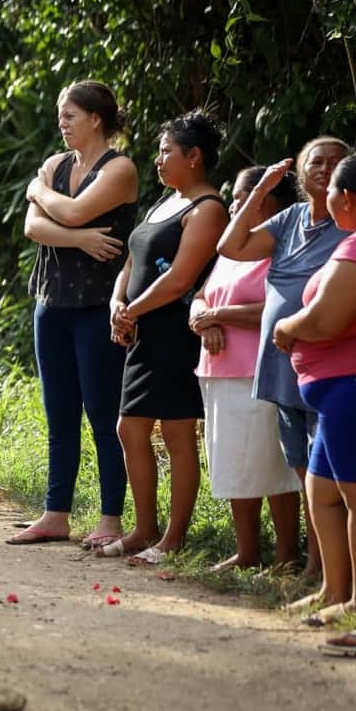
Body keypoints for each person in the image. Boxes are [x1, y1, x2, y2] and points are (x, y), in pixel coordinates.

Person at [9, 80, 138, 547]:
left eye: (69, 115)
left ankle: (110, 519)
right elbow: (32, 226)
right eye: (60, 115)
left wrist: (39, 194)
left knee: (104, 414)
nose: (61, 123)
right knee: (59, 413)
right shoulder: (54, 165)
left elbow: (78, 210)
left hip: (98, 307)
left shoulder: (119, 167)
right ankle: (55, 513)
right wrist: (78, 237)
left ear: (95, 119)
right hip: (51, 302)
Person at [217, 136, 351, 578]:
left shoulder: (351, 225)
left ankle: (327, 570)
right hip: (280, 366)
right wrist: (258, 191)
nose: (325, 166)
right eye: (316, 160)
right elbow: (230, 248)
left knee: (329, 476)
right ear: (298, 173)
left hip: (330, 365)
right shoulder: (290, 217)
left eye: (336, 161)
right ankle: (314, 566)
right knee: (302, 469)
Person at [99, 111, 229, 565]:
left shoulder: (208, 209)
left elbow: (180, 279)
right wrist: (118, 304)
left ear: (194, 157)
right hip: (141, 334)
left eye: (166, 151)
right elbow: (132, 263)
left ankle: (172, 539)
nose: (158, 160)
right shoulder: (163, 203)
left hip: (177, 333)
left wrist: (132, 310)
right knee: (129, 428)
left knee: (176, 434)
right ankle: (144, 529)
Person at [189, 167, 302, 571]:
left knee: (272, 464)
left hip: (258, 371)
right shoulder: (232, 251)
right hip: (218, 373)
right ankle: (247, 550)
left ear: (268, 202)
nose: (234, 203)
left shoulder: (282, 246)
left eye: (241, 197)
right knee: (235, 463)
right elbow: (201, 297)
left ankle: (288, 553)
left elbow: (280, 308)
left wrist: (221, 315)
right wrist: (205, 318)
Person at [274, 153, 356, 630]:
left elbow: (328, 319)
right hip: (335, 396)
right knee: (324, 491)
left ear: (347, 197)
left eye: (333, 191)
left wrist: (288, 326)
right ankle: (334, 589)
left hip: (352, 388)